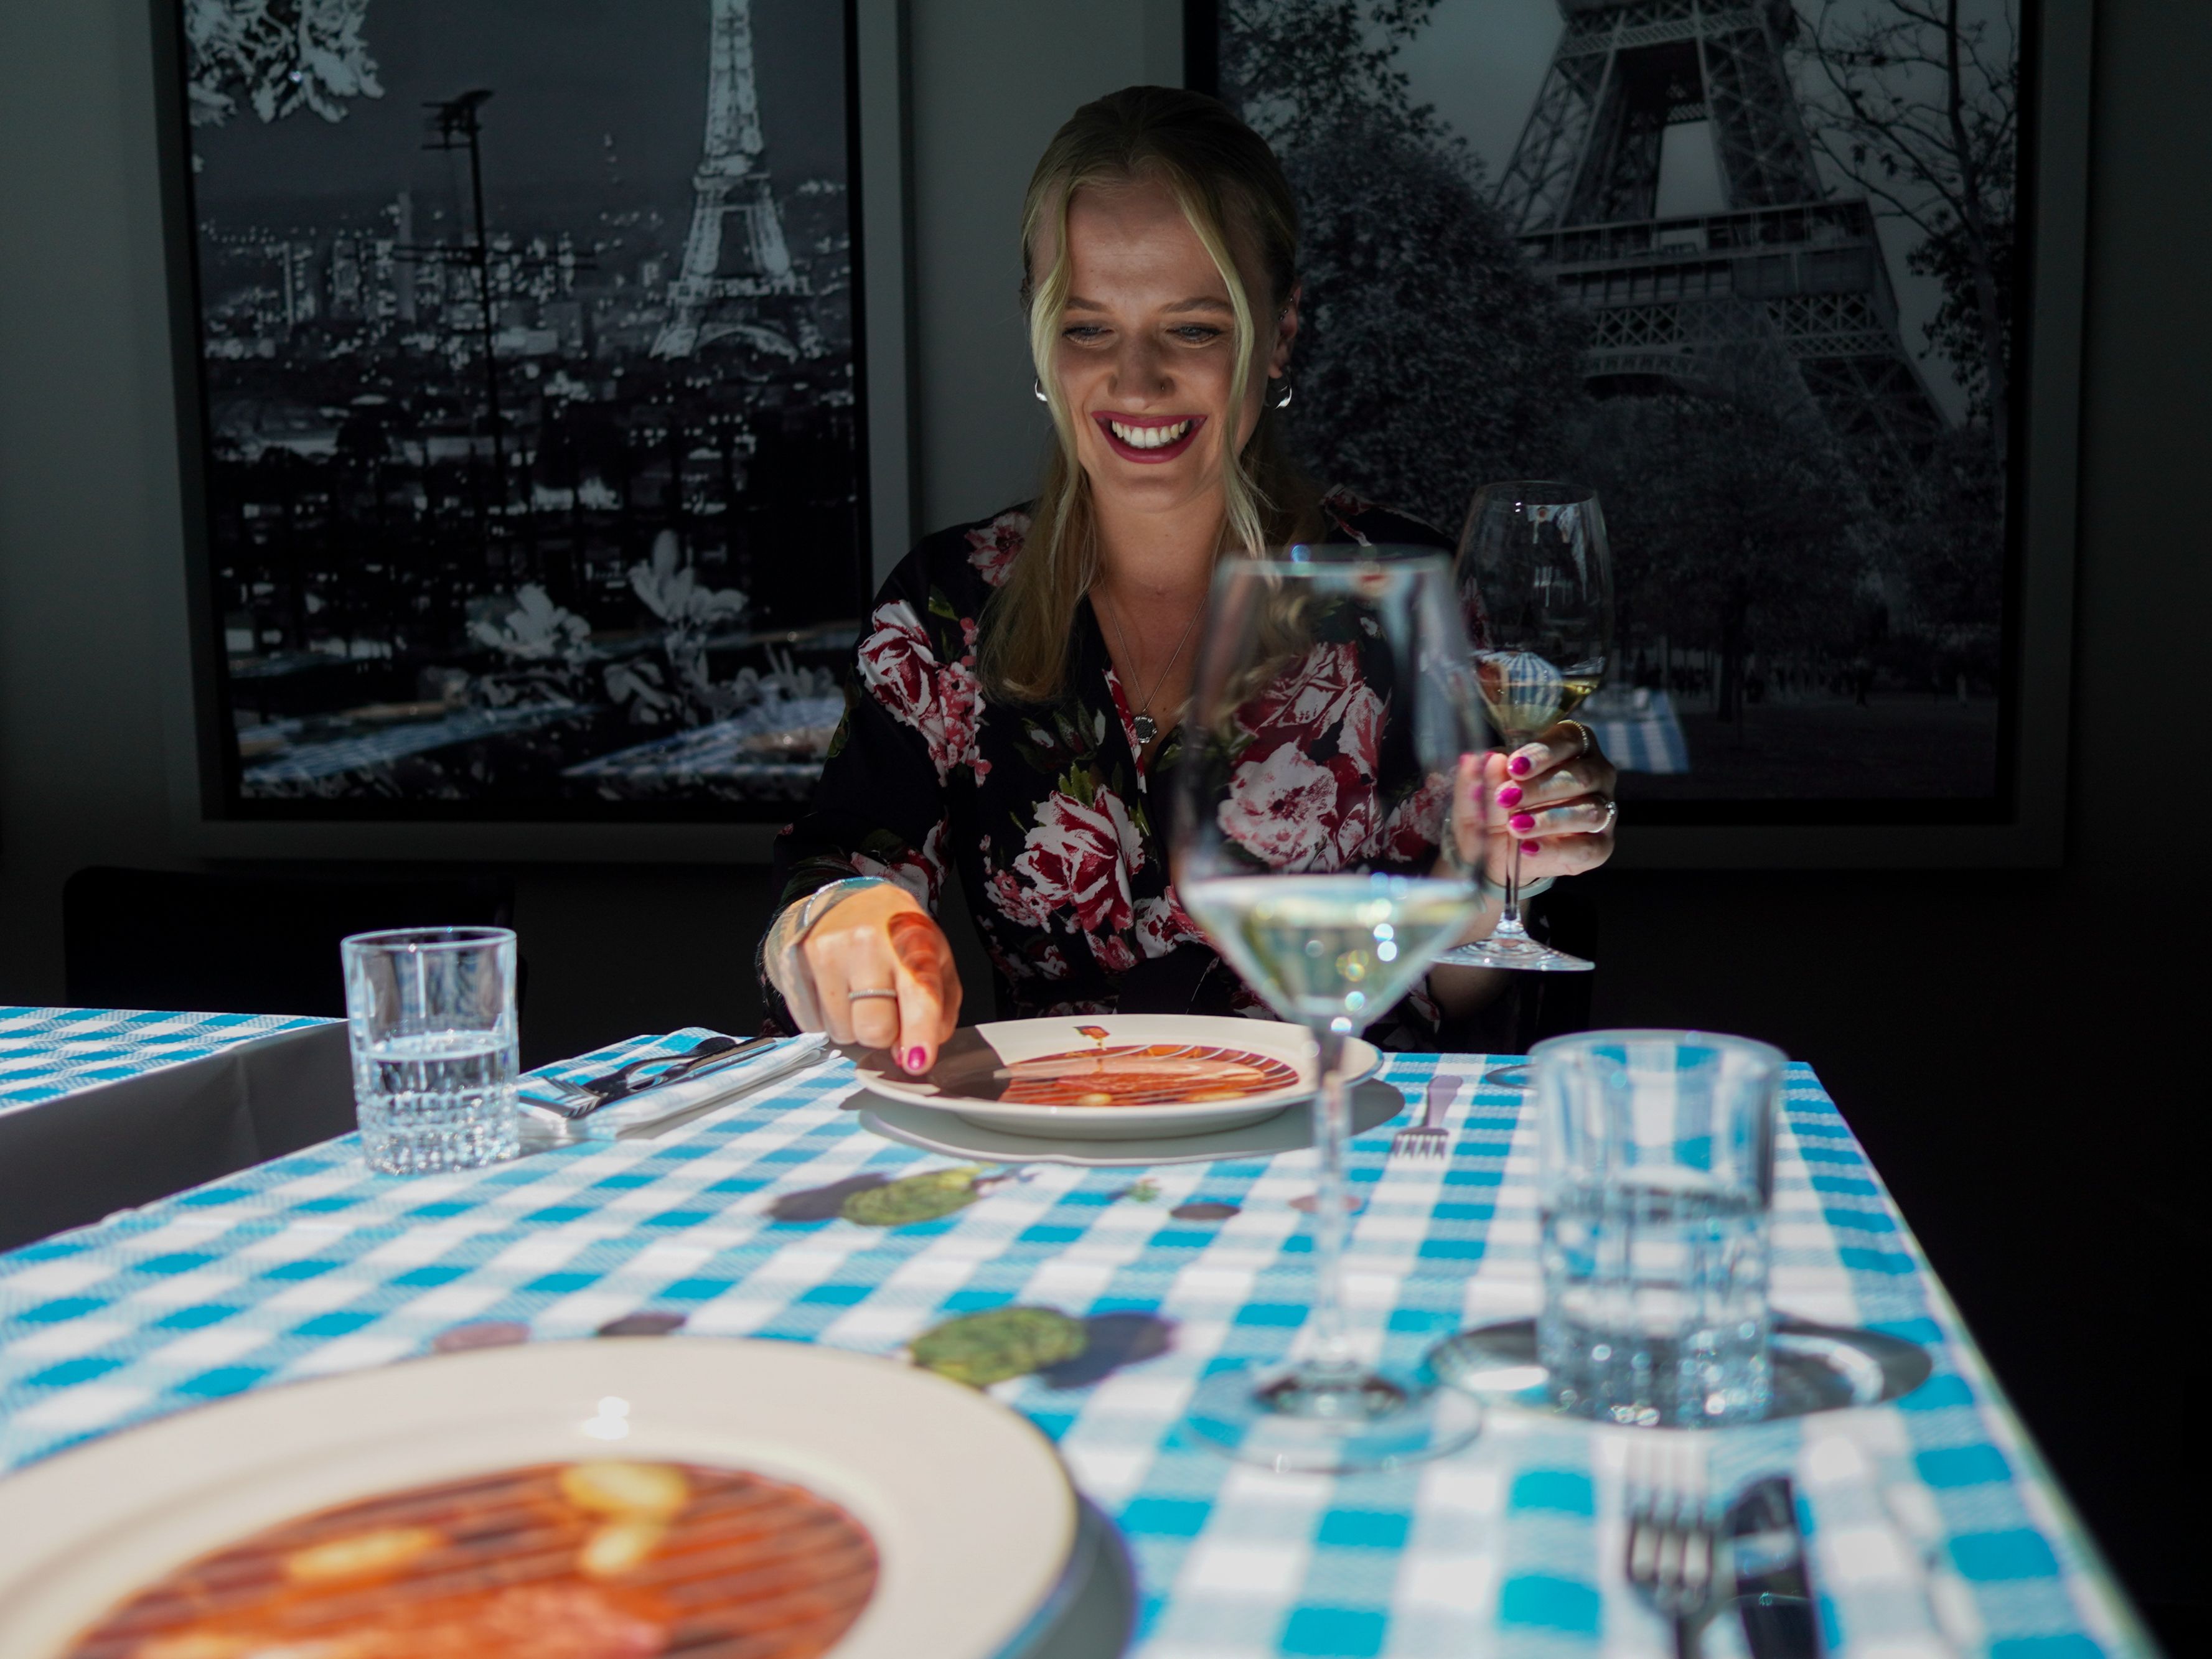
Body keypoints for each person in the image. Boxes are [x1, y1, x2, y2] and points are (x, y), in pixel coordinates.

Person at [761, 86, 1617, 1073]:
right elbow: (834, 869)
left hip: (1336, 1153)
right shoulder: (947, 606)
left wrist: (1493, 870)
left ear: (1279, 332)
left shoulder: (1400, 594)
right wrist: (832, 924)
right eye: (1087, 327)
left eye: (1193, 328)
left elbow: (1449, 990)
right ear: (1039, 337)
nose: (1135, 381)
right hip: (1060, 1157)